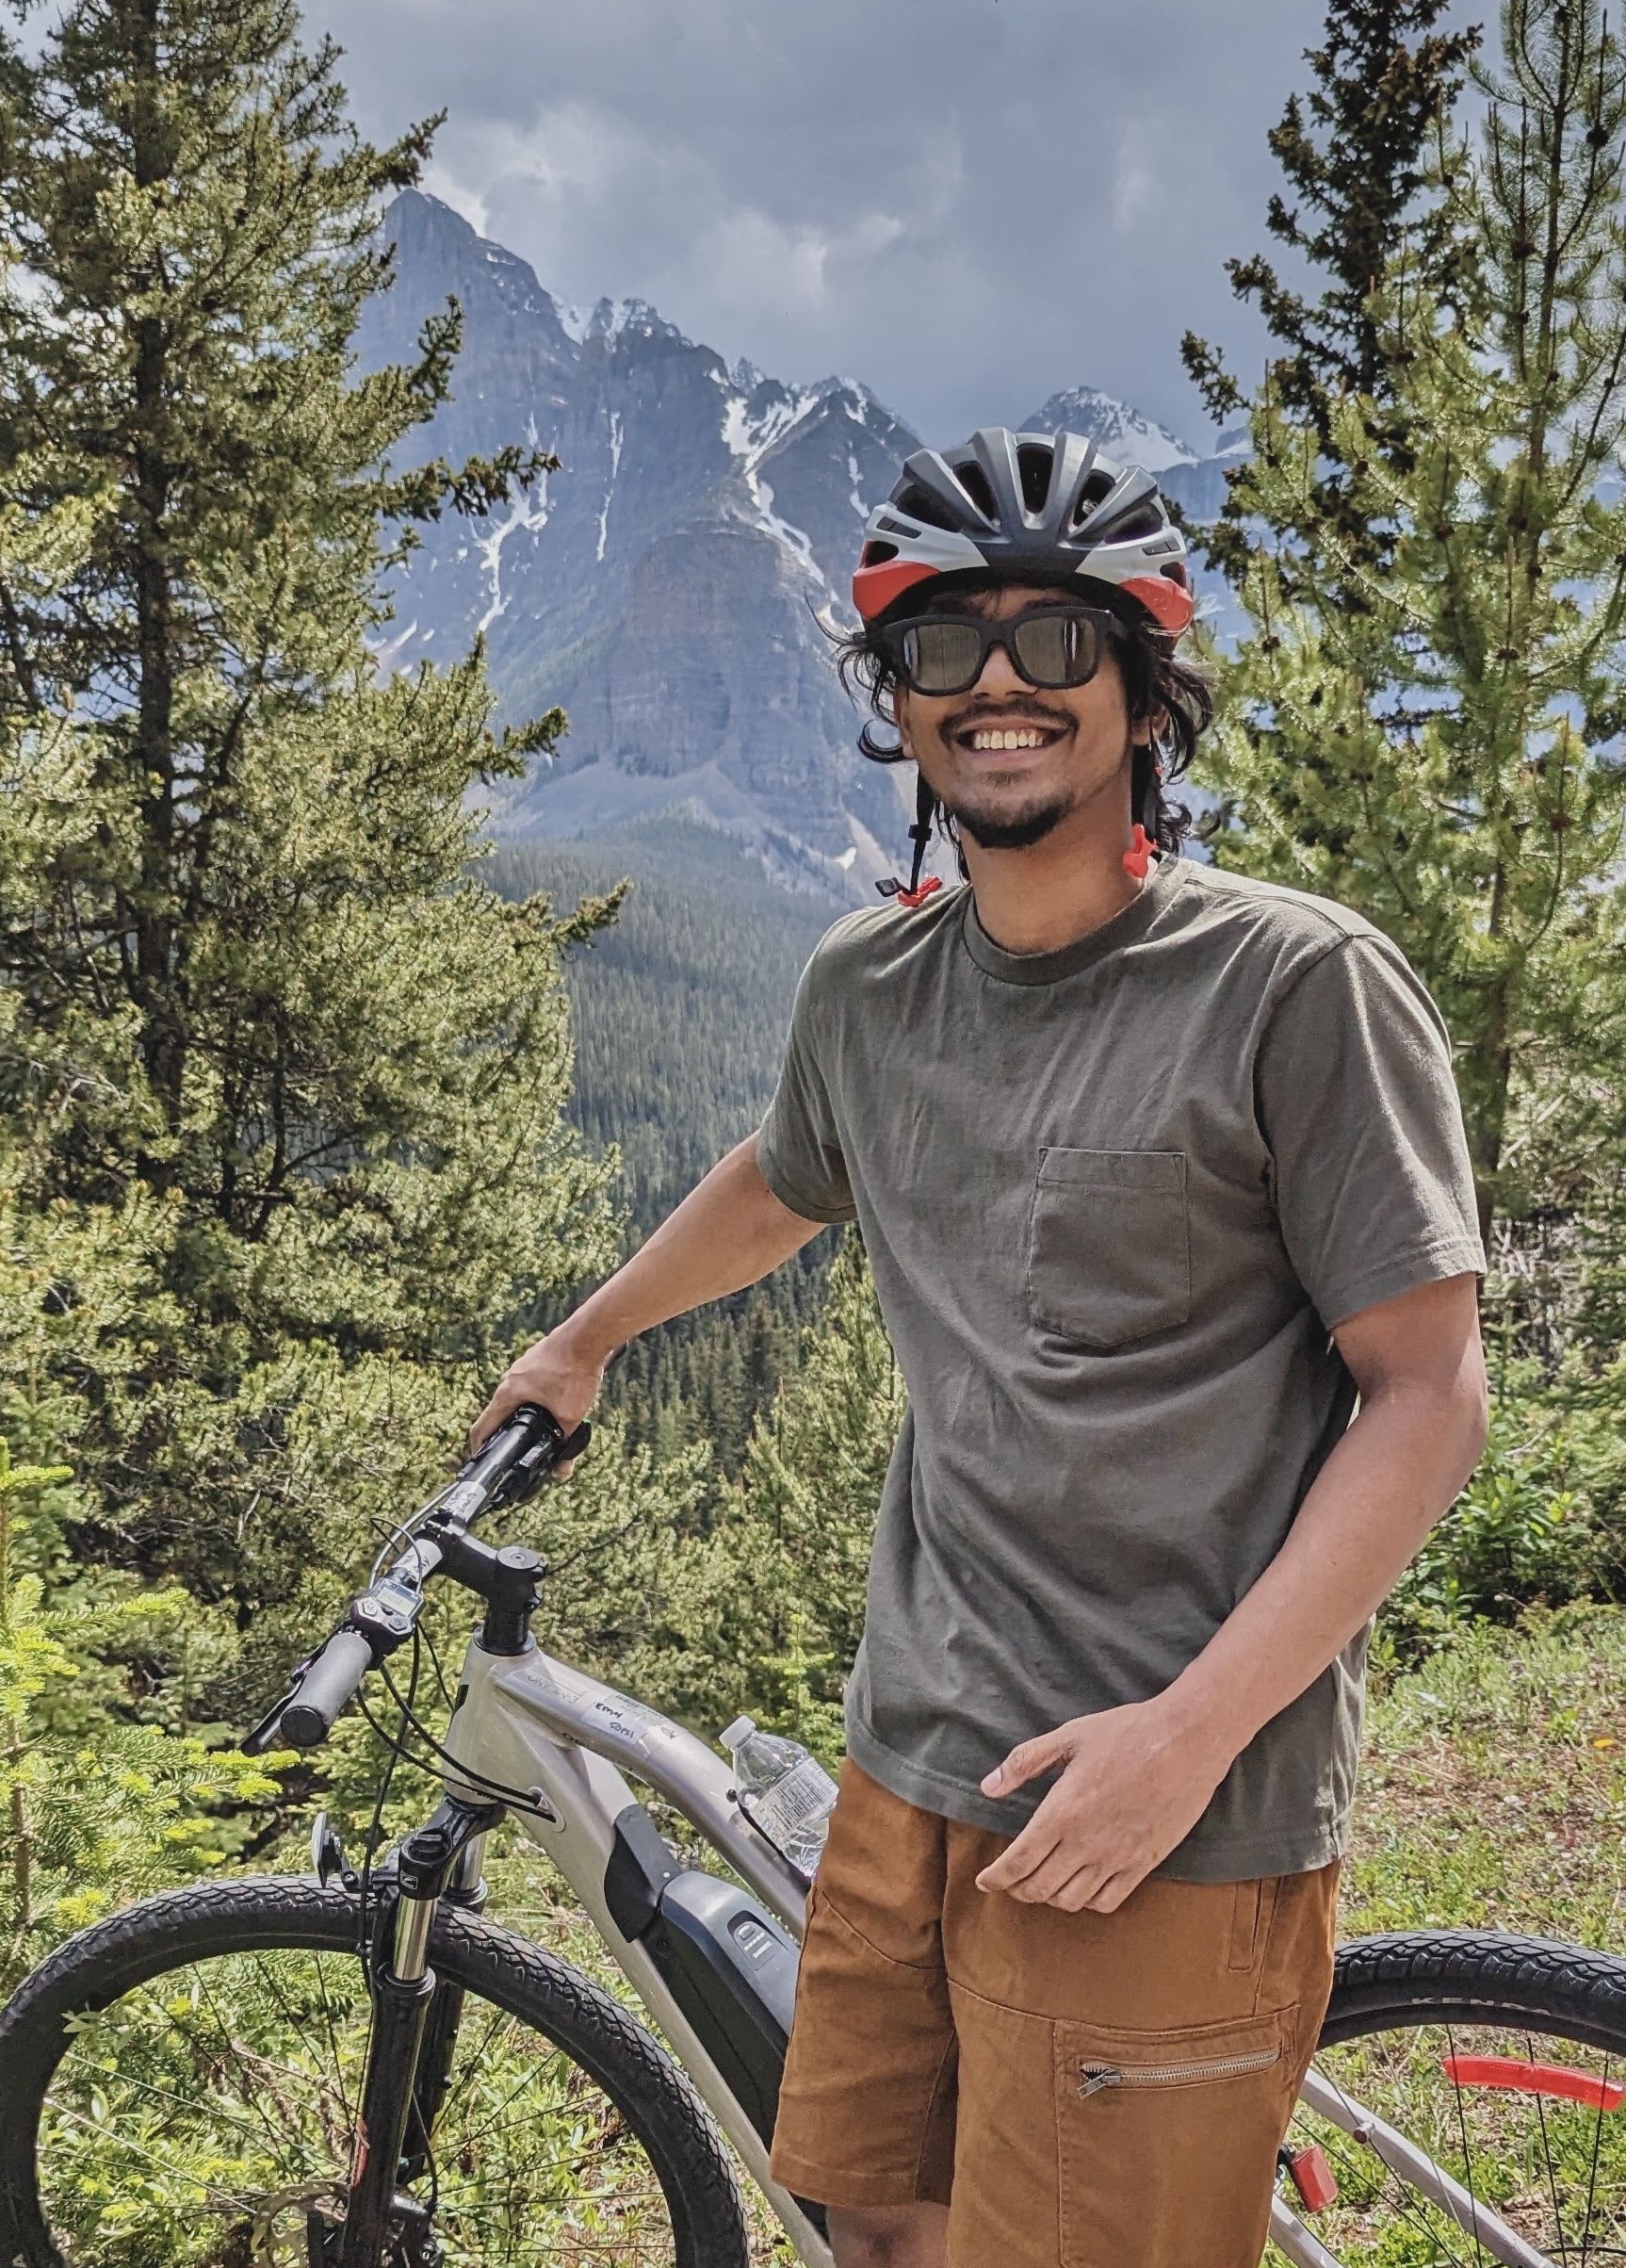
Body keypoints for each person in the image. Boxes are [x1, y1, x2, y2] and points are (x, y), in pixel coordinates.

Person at [470, 426, 1489, 2268]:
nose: (999, 683)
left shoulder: (1290, 981)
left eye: (1055, 640)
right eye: (948, 646)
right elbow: (785, 1179)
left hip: (1163, 1800)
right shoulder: (870, 985)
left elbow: (1426, 1391)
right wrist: (585, 1337)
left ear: (1140, 687)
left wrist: (1186, 1739)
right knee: (878, 2224)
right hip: (909, 1756)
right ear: (898, 696)